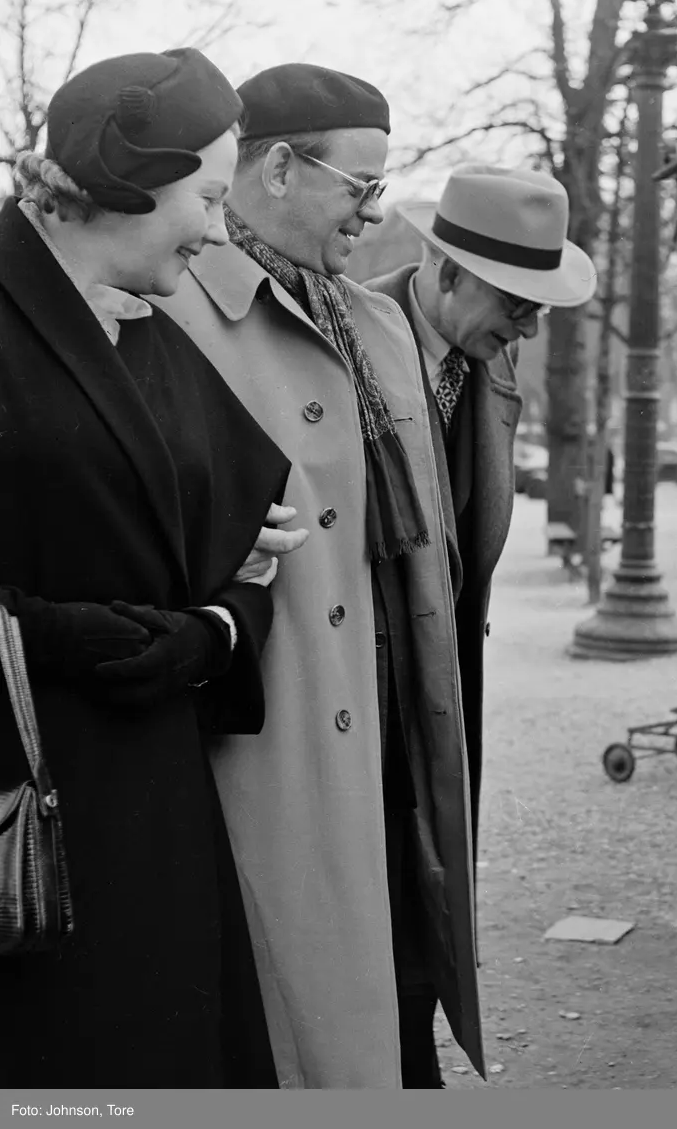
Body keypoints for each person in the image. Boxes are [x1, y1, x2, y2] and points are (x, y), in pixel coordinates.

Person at [152, 63, 481, 1089]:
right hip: (276, 734)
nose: (370, 214)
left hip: (393, 732)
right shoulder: (166, 315)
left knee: (398, 980)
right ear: (281, 167)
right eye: (361, 186)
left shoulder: (374, 322)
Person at [0, 49, 306, 1086]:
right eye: (209, 194)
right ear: (129, 175)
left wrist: (215, 628)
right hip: (24, 810)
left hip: (154, 802)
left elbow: (255, 540)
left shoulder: (150, 329)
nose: (219, 227)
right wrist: (67, 633)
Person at [364, 163, 597, 1081]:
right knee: (377, 888)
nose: (530, 328)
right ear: (447, 273)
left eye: (542, 309)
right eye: (518, 302)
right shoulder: (340, 343)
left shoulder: (490, 364)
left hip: (448, 675)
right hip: (367, 686)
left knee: (434, 888)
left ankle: (413, 1048)